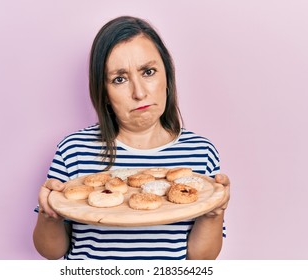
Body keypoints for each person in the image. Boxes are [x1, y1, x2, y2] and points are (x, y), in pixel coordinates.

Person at [33, 15, 230, 260]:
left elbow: (201, 260)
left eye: (148, 72)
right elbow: (51, 251)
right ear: (104, 92)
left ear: (167, 77)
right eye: (119, 79)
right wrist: (48, 214)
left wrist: (214, 213)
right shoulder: (74, 150)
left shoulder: (200, 152)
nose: (139, 92)